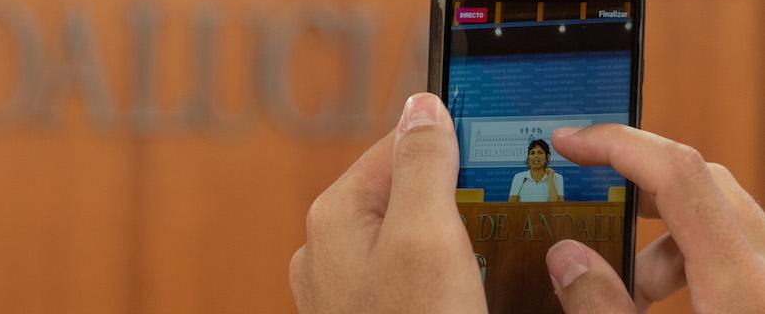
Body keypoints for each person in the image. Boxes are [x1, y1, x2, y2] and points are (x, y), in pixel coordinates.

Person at [290, 92, 765, 312]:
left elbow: (554, 206)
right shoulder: (518, 180)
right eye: (535, 153)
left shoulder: (551, 183)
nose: (538, 157)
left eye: (542, 153)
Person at [509, 138, 564, 202]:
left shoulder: (557, 177)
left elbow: (557, 207)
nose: (536, 156)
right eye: (532, 153)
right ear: (528, 158)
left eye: (540, 152)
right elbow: (511, 205)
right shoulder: (519, 177)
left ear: (547, 157)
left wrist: (550, 180)